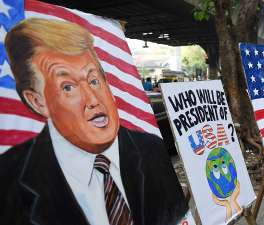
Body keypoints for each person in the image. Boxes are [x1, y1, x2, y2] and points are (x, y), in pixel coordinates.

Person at [0, 18, 187, 225]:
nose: (93, 100)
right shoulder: (9, 181)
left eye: (94, 81)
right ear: (37, 101)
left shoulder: (152, 150)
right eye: (68, 87)